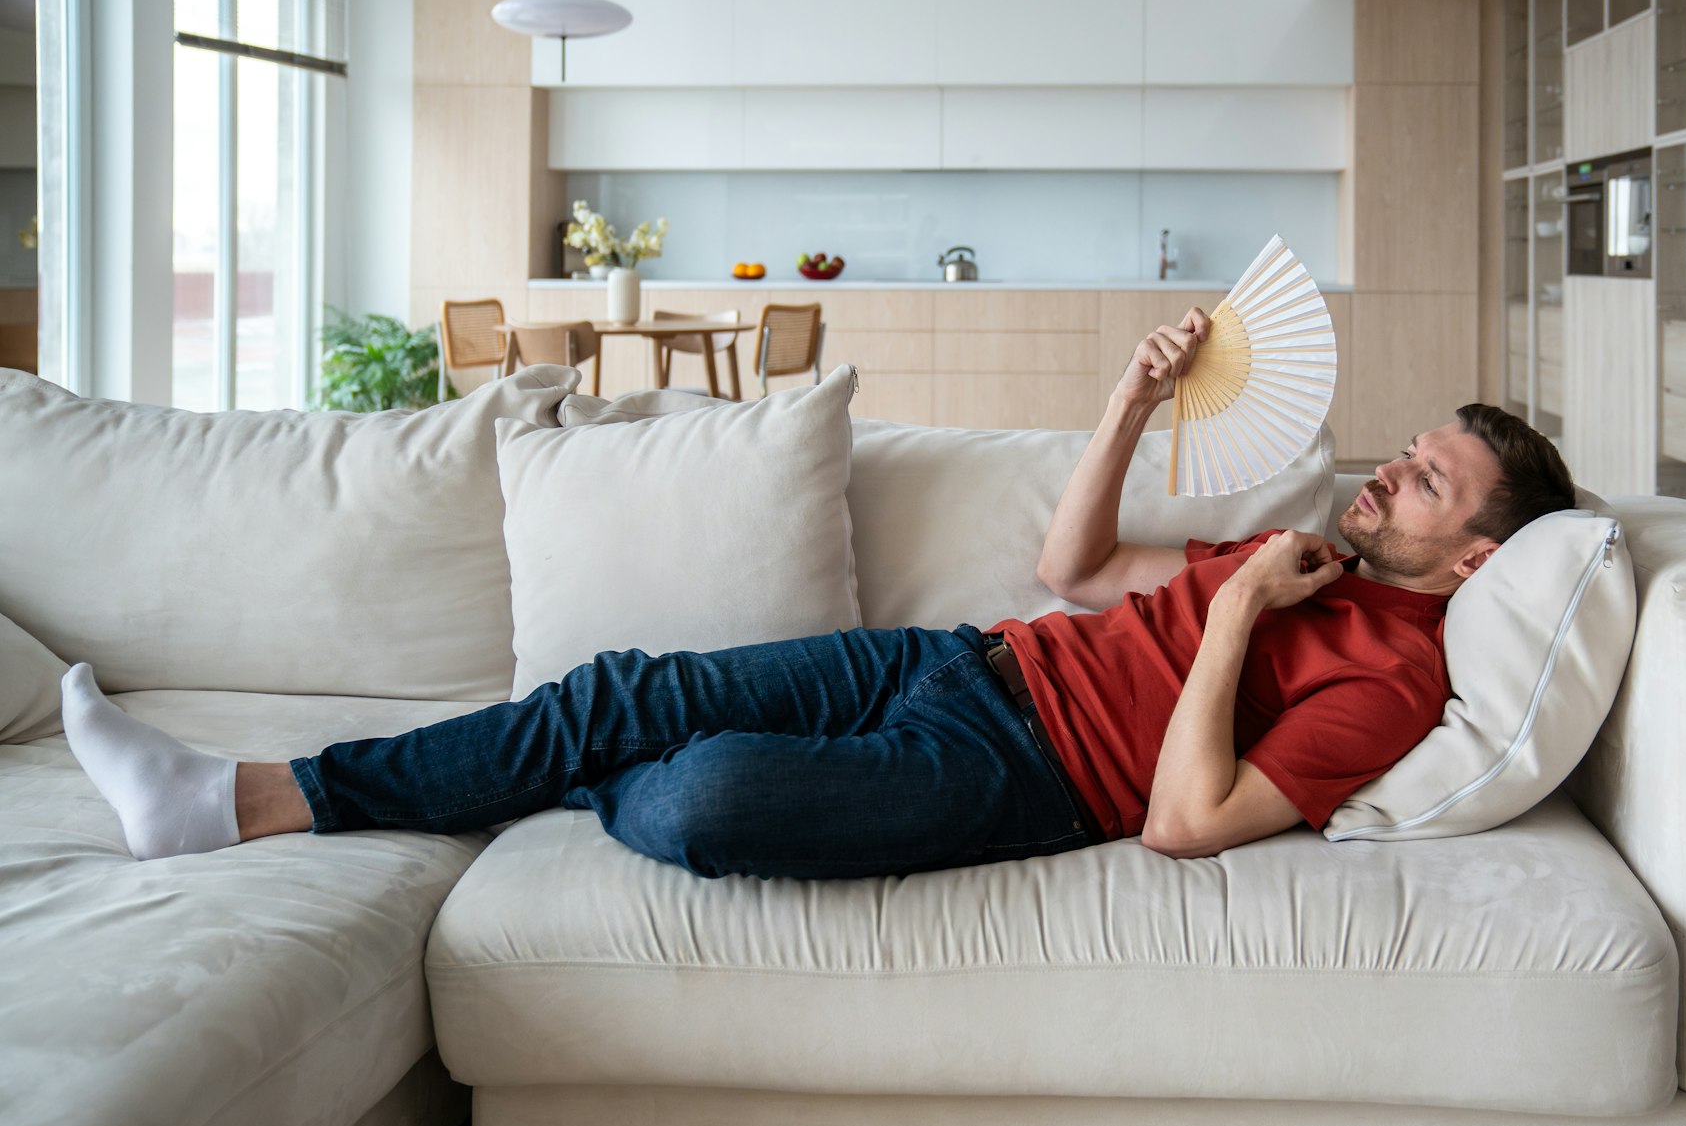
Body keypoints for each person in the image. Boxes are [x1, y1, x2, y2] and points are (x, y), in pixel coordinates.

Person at [59, 308, 1576, 879]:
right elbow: (1069, 571)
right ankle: (240, 798)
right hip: (964, 660)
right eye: (1408, 456)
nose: (1387, 478)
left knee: (703, 799)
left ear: (1476, 559)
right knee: (620, 691)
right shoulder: (1313, 547)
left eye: (1428, 484)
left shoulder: (1389, 672)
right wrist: (1127, 393)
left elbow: (1186, 821)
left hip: (1022, 769)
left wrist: (1242, 606)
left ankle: (535, 779)